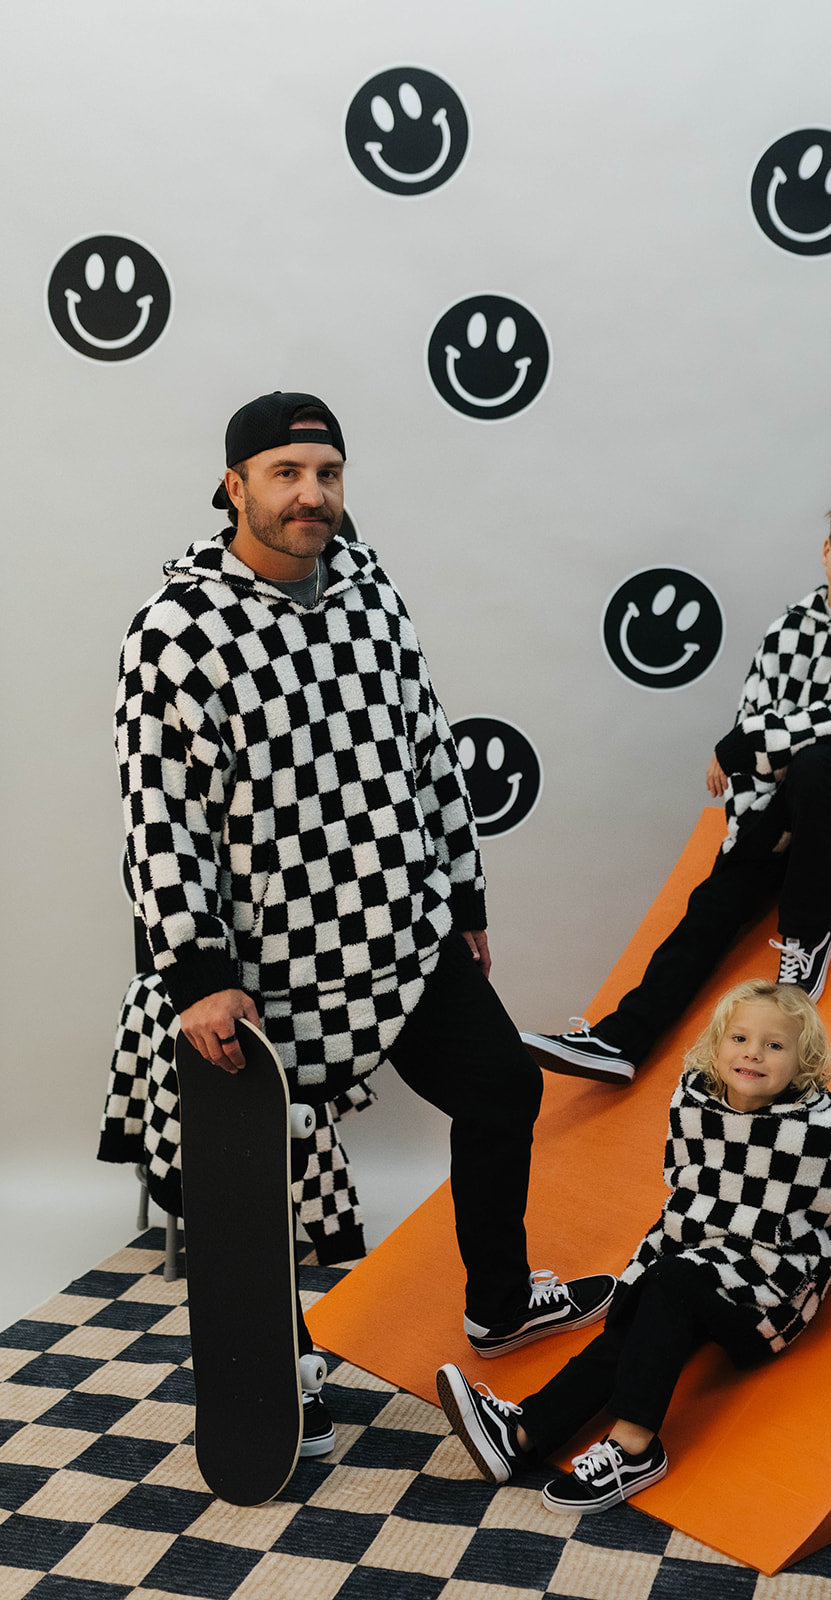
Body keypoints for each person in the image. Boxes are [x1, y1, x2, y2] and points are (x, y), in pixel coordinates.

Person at [115, 391, 614, 1457]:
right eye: (287, 473)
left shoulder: (368, 585)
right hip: (274, 959)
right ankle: (276, 1360)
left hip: (400, 926)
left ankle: (496, 1302)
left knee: (502, 1087)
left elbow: (425, 738)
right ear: (233, 484)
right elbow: (158, 818)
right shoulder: (175, 631)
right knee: (275, 1172)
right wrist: (196, 970)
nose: (311, 495)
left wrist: (463, 894)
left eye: (327, 473)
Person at [438, 979, 831, 1514]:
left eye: (775, 1045)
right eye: (739, 1038)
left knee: (670, 1281)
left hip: (769, 1291)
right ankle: (525, 1435)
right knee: (643, 1306)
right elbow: (687, 1200)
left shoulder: (829, 1136)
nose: (753, 1053)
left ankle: (635, 1446)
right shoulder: (694, 1108)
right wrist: (636, 1280)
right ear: (715, 1047)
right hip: (699, 1266)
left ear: (805, 1063)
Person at [522, 490, 831, 1085]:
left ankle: (807, 931)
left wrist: (758, 741)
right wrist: (747, 837)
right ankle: (620, 1040)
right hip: (791, 813)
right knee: (716, 900)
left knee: (824, 760)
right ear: (825, 551)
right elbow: (748, 748)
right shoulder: (787, 630)